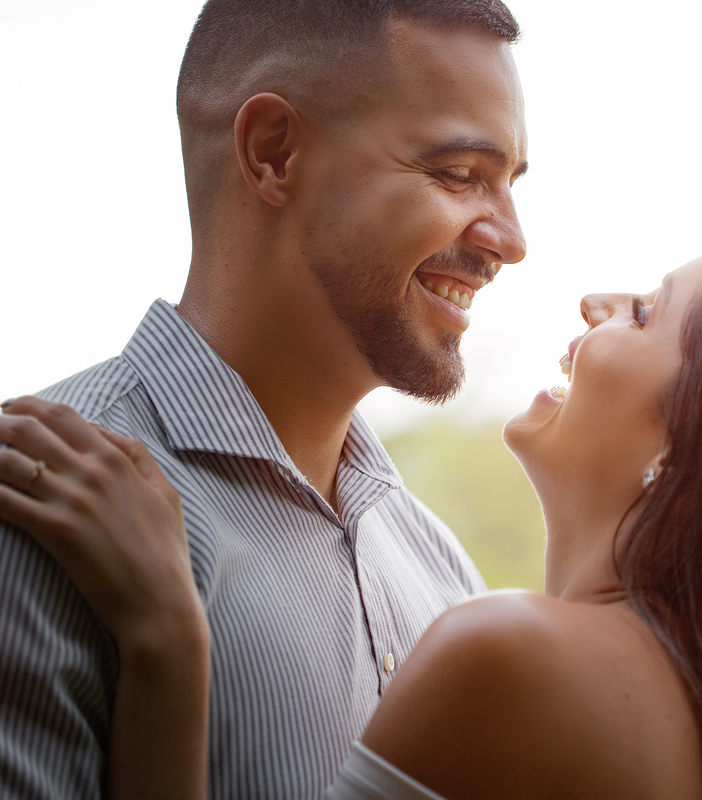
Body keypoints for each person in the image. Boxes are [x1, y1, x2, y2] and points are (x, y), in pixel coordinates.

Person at [0, 233, 702, 799]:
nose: (596, 299)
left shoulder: (514, 659)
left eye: (645, 309)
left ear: (692, 440)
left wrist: (167, 640)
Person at [0, 1, 528, 797]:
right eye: (460, 175)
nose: (512, 242)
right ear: (274, 152)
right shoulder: (38, 505)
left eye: (509, 185)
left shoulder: (441, 569)